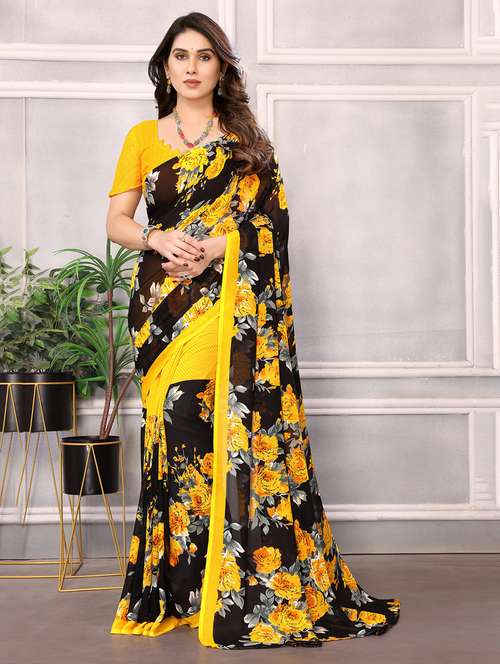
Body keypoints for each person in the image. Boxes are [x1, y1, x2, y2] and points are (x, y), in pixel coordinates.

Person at [105, 11, 401, 650]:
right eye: (180, 56)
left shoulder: (246, 143)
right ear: (165, 67)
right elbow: (117, 222)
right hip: (161, 305)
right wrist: (157, 238)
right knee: (175, 434)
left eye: (204, 56)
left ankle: (233, 582)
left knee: (213, 426)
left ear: (221, 68)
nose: (191, 67)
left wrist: (216, 248)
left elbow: (271, 226)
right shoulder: (142, 137)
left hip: (227, 303)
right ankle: (185, 586)